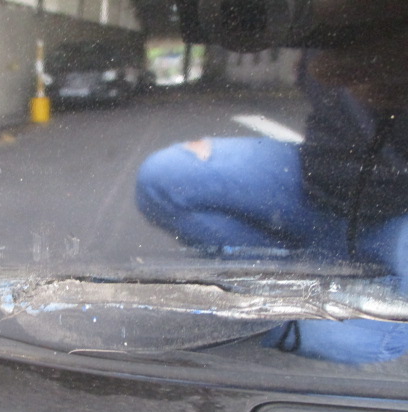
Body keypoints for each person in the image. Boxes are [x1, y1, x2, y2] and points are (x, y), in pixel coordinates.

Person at [135, 4, 408, 364]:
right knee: (163, 177)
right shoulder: (317, 23)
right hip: (314, 178)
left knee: (372, 340)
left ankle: (270, 315)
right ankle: (284, 280)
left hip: (396, 218)